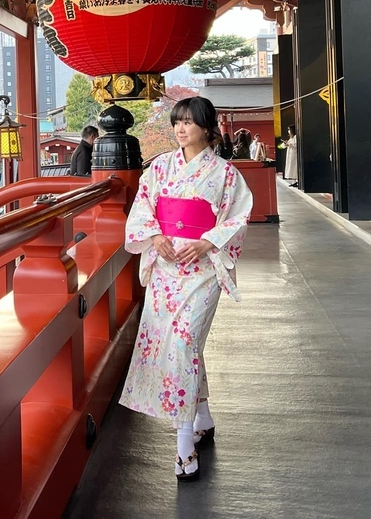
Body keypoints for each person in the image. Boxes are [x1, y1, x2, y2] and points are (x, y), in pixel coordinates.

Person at [120, 96, 253, 482]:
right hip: (165, 269)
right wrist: (155, 235)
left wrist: (209, 242)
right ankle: (203, 417)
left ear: (207, 128)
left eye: (189, 123)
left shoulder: (226, 175)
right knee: (185, 346)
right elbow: (143, 208)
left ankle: (183, 445)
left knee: (182, 343)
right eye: (177, 122)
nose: (180, 129)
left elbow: (239, 214)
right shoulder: (160, 166)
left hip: (202, 270)